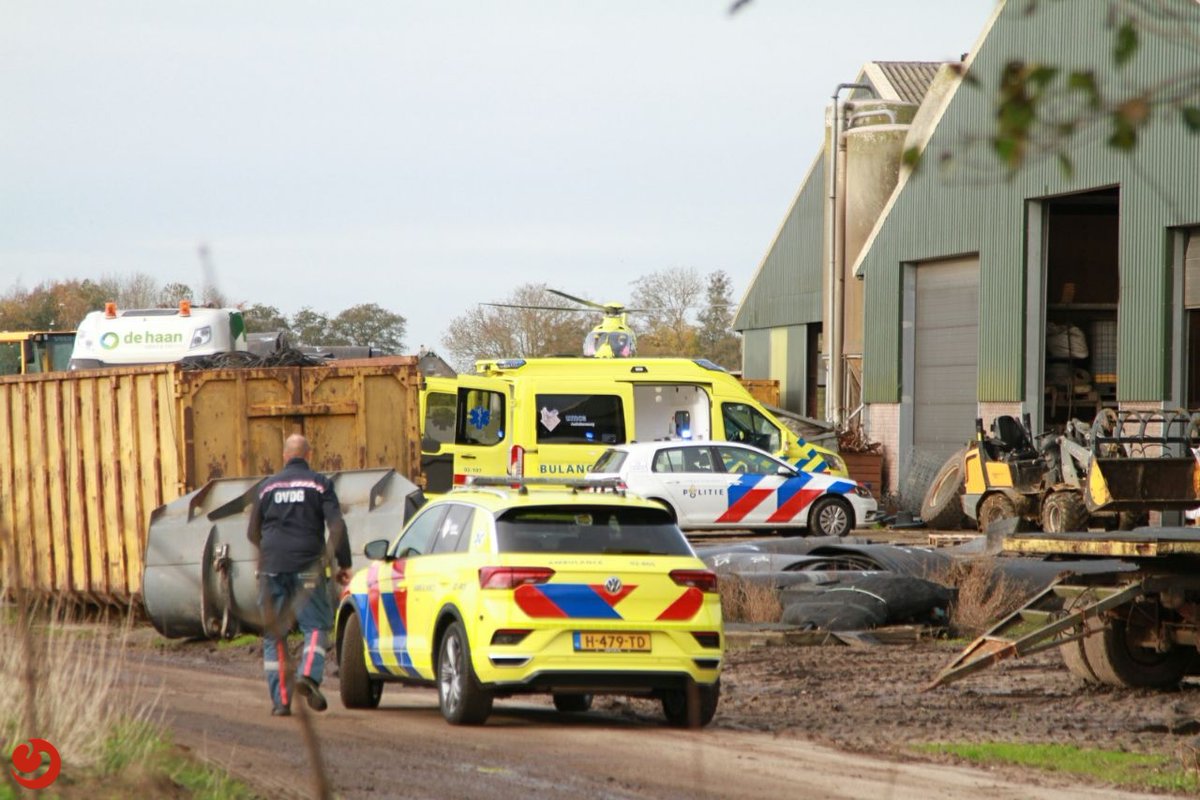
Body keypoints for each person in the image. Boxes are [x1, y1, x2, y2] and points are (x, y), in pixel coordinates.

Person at [247, 433, 352, 717]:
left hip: (271, 568)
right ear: (309, 455)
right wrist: (344, 564)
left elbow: (252, 532)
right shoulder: (319, 484)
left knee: (274, 635)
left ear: (284, 456)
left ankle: (281, 702)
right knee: (316, 626)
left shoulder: (267, 488)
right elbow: (337, 526)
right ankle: (308, 674)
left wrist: (271, 553)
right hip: (308, 568)